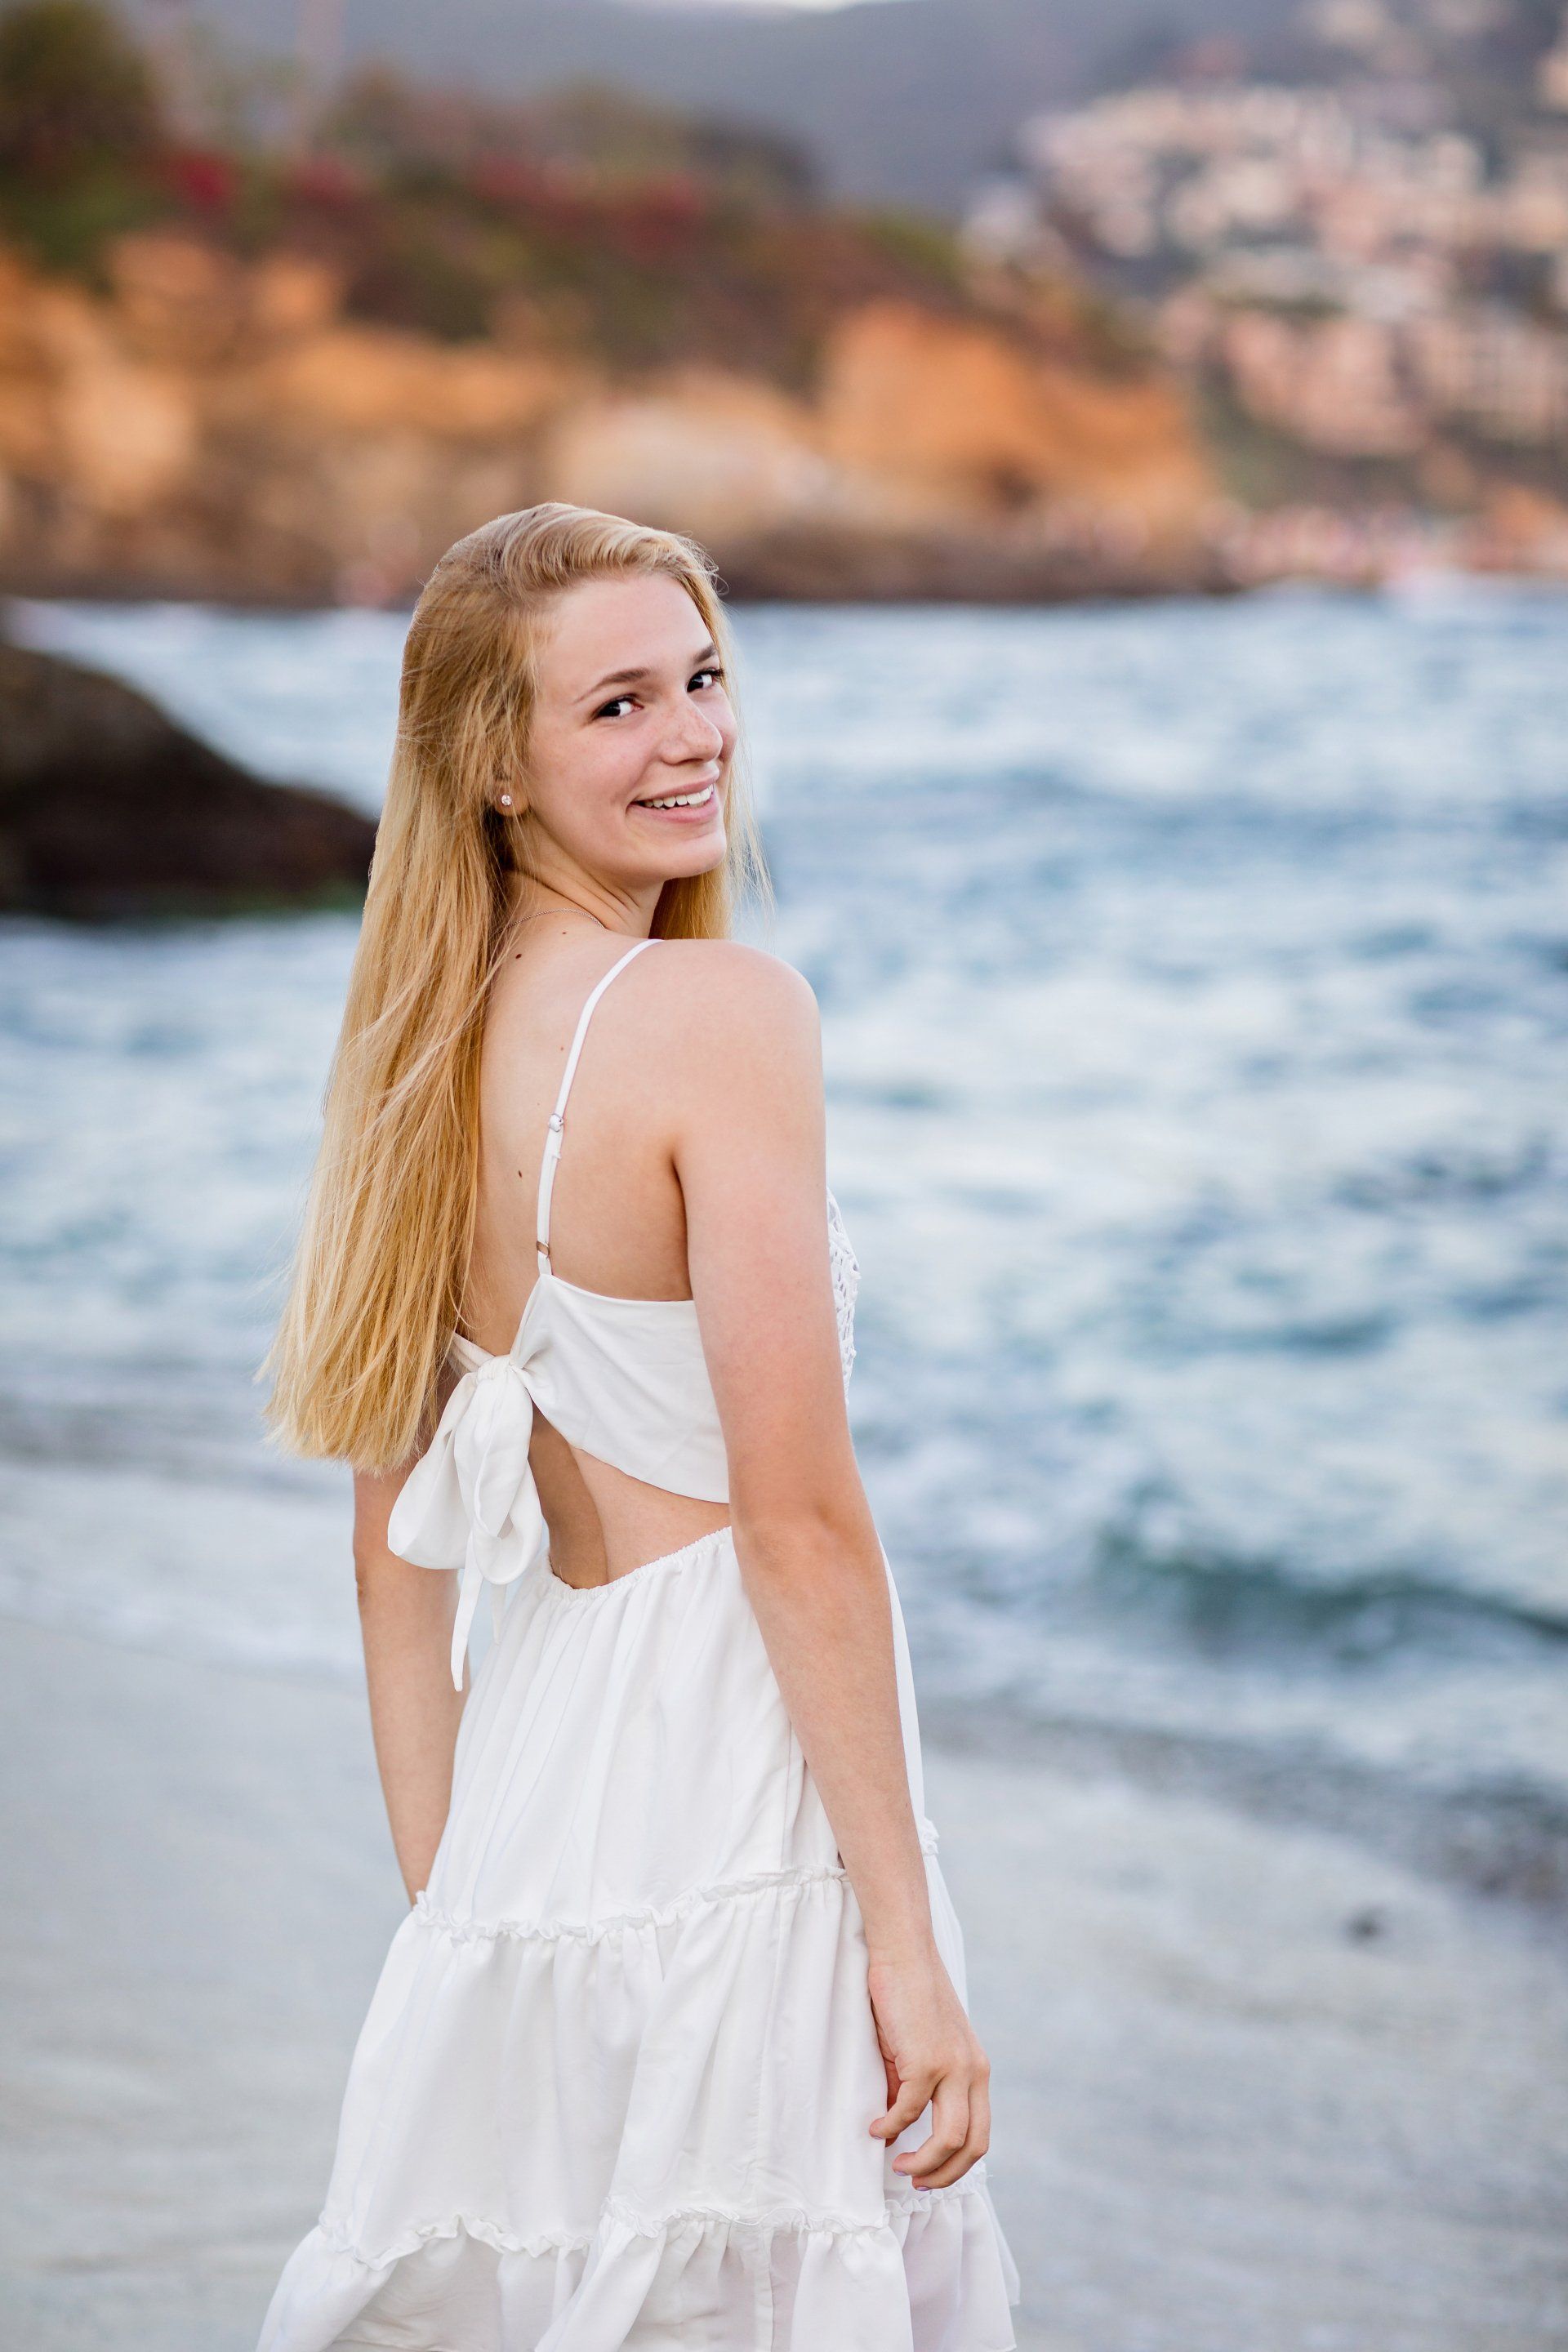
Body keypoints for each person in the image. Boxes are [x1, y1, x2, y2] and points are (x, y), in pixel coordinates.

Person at [256, 502, 1022, 2350]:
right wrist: (906, 1951)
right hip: (741, 1767)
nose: (693, 737)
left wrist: (462, 1917)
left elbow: (394, 1574)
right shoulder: (719, 1013)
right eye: (614, 707)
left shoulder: (412, 1051)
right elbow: (798, 1528)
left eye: (700, 679)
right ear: (495, 769)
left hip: (541, 1766)